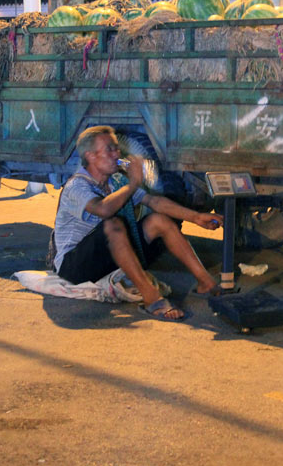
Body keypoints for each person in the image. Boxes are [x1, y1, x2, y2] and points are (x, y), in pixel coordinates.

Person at [52, 126, 225, 321]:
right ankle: (152, 299)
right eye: (109, 149)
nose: (117, 153)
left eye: (117, 148)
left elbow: (154, 202)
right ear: (91, 156)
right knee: (113, 224)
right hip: (74, 267)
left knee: (158, 220)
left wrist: (195, 217)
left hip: (108, 258)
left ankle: (206, 283)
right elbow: (103, 209)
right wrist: (133, 183)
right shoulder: (77, 185)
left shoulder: (115, 181)